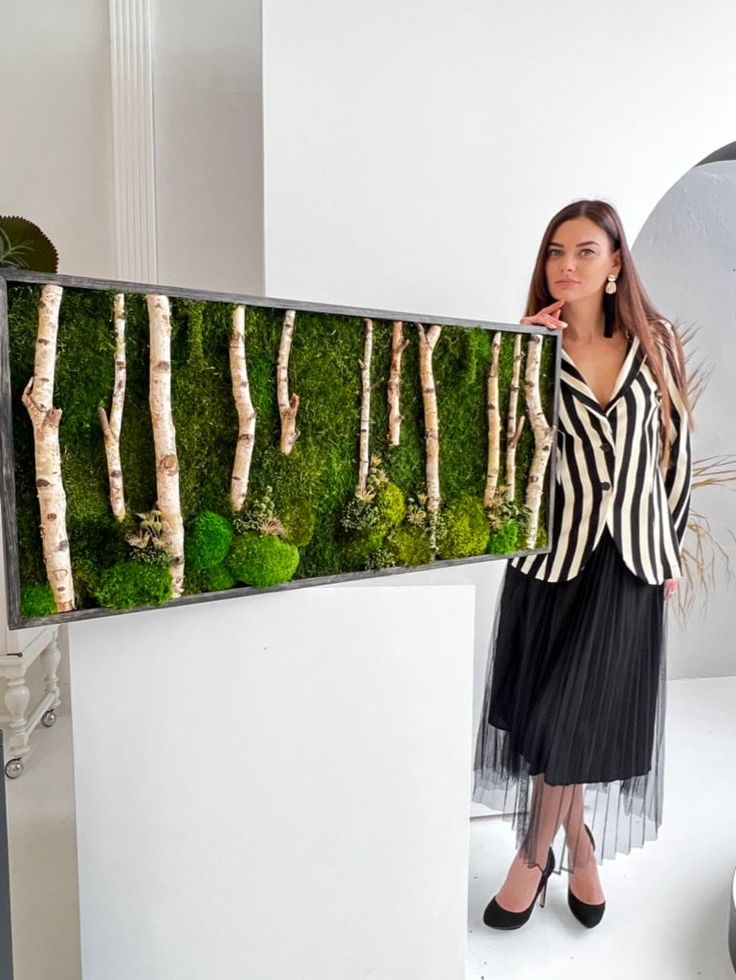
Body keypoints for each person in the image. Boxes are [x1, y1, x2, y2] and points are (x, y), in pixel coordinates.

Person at [472, 199, 693, 930]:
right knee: (549, 717)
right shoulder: (532, 347)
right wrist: (516, 362)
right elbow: (502, 451)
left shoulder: (655, 343)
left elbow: (674, 454)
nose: (566, 265)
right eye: (555, 252)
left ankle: (533, 859)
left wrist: (671, 545)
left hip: (628, 563)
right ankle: (579, 846)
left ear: (615, 264)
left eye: (585, 252)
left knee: (577, 720)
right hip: (553, 559)